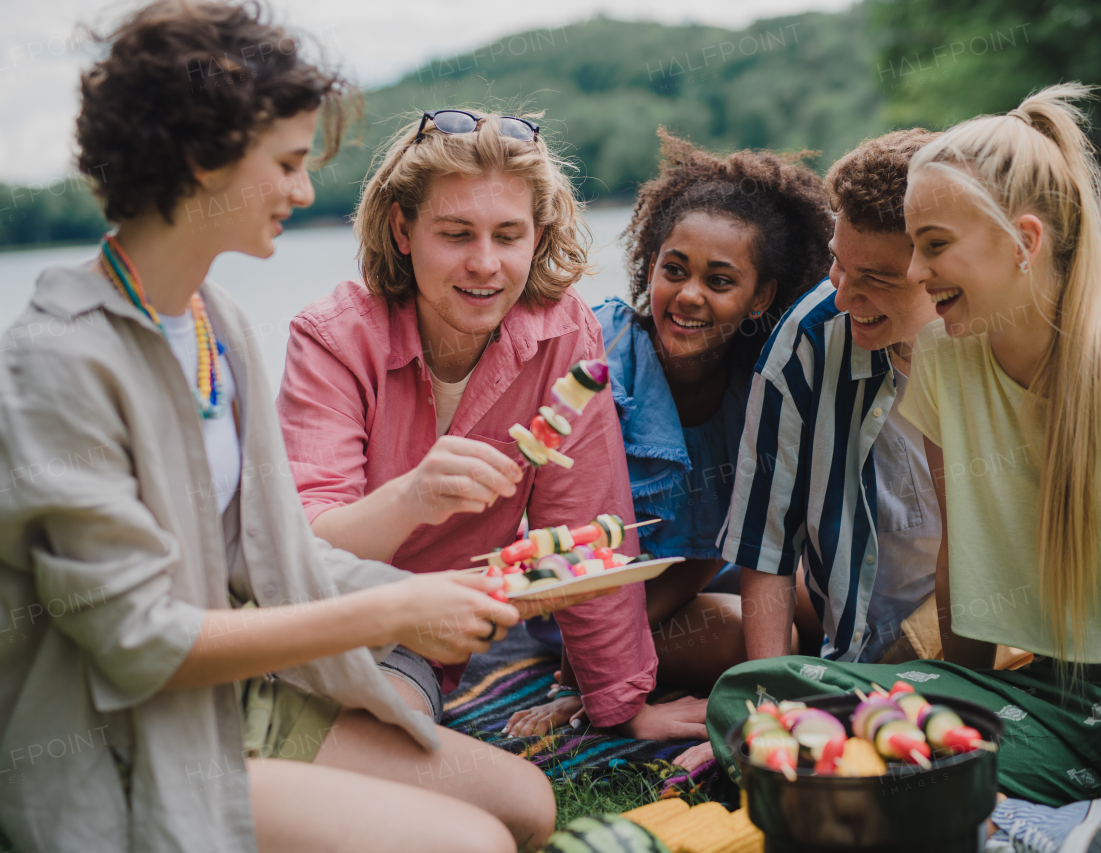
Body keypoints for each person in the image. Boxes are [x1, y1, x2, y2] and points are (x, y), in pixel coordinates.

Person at [0, 4, 569, 851]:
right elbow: (140, 643)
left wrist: (441, 597)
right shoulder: (58, 362)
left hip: (240, 698)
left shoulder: (212, 320)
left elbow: (263, 556)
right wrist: (397, 606)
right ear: (204, 162)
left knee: (526, 804)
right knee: (471, 841)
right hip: (122, 735)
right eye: (291, 163)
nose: (306, 192)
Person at [711, 84, 1101, 853]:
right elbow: (959, 550)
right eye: (911, 244)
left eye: (933, 245)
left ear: (1024, 240)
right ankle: (1069, 818)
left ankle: (1069, 817)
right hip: (1052, 700)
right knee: (758, 696)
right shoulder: (945, 355)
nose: (917, 269)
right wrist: (967, 705)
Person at [275, 106, 701, 739]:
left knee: (392, 727)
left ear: (537, 234)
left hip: (412, 646)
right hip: (308, 618)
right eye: (455, 234)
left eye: (508, 236)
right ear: (402, 229)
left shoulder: (563, 334)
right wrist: (412, 498)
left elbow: (585, 529)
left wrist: (621, 705)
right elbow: (303, 557)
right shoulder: (333, 339)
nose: (485, 264)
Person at [504, 131, 832, 736]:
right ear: (650, 264)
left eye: (720, 281)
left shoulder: (761, 384)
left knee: (824, 601)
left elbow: (723, 550)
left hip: (690, 573)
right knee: (771, 636)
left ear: (760, 296)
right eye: (674, 270)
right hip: (590, 600)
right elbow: (571, 542)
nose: (688, 296)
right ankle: (601, 671)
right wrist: (592, 680)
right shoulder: (598, 358)